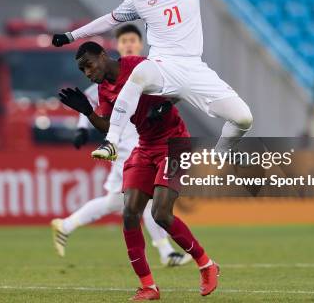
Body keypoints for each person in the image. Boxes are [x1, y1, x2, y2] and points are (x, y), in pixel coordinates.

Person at [52, 0, 263, 162]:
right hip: (162, 66)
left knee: (243, 118)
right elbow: (109, 19)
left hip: (194, 69)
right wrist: (71, 36)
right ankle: (111, 142)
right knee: (140, 73)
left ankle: (218, 157)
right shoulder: (138, 1)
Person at [59, 41, 219, 300]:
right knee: (130, 212)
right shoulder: (104, 89)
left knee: (160, 214)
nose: (87, 73)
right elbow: (111, 128)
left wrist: (166, 104)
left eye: (89, 65)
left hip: (174, 143)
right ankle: (148, 286)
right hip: (145, 147)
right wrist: (88, 112)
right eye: (82, 71)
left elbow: (180, 82)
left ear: (102, 55)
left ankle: (206, 264)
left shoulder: (136, 66)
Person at [51, 25, 191, 267]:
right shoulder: (101, 82)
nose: (128, 45)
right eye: (123, 41)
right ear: (115, 47)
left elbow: (173, 86)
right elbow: (91, 106)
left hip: (144, 141)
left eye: (132, 41)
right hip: (126, 146)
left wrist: (165, 105)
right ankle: (166, 252)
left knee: (119, 202)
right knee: (144, 198)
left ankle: (66, 225)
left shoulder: (142, 67)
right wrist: (81, 127)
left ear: (138, 45)